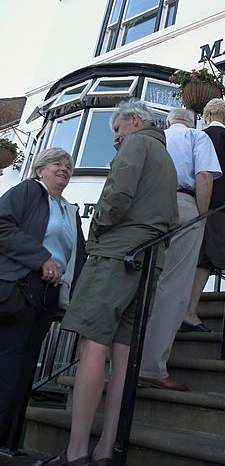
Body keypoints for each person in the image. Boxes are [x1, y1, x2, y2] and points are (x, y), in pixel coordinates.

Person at [43, 100, 178, 466]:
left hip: (117, 255)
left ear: (134, 121)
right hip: (149, 260)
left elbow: (117, 196)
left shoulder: (137, 144)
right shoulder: (166, 158)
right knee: (123, 357)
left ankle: (75, 454)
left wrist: (97, 227)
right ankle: (105, 452)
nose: (116, 140)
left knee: (93, 347)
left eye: (117, 131)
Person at [0, 147, 86, 447]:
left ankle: (10, 441)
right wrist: (41, 258)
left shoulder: (70, 210)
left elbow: (79, 258)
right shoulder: (28, 191)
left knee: (25, 368)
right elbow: (2, 225)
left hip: (48, 298)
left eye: (68, 165)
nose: (64, 168)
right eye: (56, 164)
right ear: (40, 169)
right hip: (19, 289)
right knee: (7, 364)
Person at [139, 108, 222, 390]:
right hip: (183, 206)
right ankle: (150, 366)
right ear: (192, 121)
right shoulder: (196, 136)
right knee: (173, 285)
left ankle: (121, 362)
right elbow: (204, 177)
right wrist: (201, 215)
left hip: (147, 208)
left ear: (168, 121)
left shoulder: (154, 137)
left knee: (142, 281)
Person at [181, 98, 225, 331]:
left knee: (189, 252)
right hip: (218, 201)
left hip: (190, 198)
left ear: (207, 116)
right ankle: (188, 312)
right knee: (207, 255)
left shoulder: (195, 136)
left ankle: (180, 308)